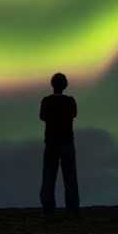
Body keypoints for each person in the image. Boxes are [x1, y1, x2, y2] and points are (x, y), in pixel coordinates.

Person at [39, 72, 79, 217]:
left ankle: (48, 211)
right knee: (70, 179)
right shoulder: (70, 101)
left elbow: (42, 116)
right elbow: (74, 114)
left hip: (51, 143)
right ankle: (72, 210)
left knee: (48, 179)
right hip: (67, 143)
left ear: (52, 84)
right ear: (65, 85)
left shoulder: (46, 101)